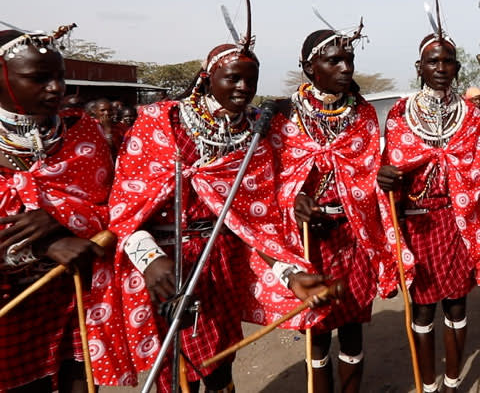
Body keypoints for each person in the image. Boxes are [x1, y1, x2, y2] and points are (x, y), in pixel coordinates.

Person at [95, 31, 334, 391]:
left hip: (221, 258)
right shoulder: (162, 122)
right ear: (207, 79)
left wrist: (289, 273)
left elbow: (258, 220)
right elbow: (126, 208)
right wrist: (150, 260)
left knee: (220, 362)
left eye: (250, 81)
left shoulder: (254, 132)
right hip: (166, 262)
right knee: (175, 371)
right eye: (233, 78)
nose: (243, 88)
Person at [271, 24, 393, 393]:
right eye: (334, 60)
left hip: (351, 235)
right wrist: (294, 199)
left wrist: (381, 179)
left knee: (352, 326)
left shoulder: (363, 115)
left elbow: (368, 172)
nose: (346, 68)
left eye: (349, 59)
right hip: (308, 240)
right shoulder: (283, 116)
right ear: (310, 68)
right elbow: (271, 180)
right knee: (317, 331)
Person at [377, 25, 480, 393]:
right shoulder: (399, 113)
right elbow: (391, 164)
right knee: (424, 310)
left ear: (457, 67)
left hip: (457, 221)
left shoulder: (471, 117)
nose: (440, 67)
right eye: (432, 61)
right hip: (416, 225)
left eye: (447, 61)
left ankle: (454, 382)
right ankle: (427, 385)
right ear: (419, 66)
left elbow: (478, 169)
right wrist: (390, 181)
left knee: (457, 306)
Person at [0, 26, 115, 393]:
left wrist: (62, 220)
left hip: (76, 294)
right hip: (9, 305)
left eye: (60, 77)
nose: (56, 89)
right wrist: (41, 245)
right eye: (39, 78)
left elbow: (114, 209)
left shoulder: (84, 132)